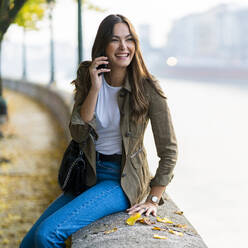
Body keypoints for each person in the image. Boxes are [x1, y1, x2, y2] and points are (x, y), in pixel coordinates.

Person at [20, 14, 177, 248]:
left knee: (47, 236)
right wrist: (94, 88)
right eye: (115, 40)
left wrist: (154, 198)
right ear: (103, 45)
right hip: (89, 173)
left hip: (121, 181)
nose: (124, 47)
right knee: (29, 242)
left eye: (129, 39)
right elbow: (79, 133)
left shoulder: (147, 87)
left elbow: (169, 149)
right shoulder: (88, 75)